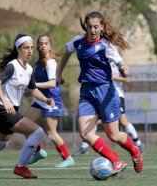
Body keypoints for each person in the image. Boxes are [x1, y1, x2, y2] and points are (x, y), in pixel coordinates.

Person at [57, 11, 143, 175]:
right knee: (85, 134)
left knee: (114, 135)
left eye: (96, 27)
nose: (93, 30)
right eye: (90, 26)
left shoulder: (106, 45)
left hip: (106, 93)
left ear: (102, 27)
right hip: (87, 93)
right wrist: (58, 74)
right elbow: (67, 52)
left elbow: (120, 64)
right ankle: (116, 161)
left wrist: (123, 68)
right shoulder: (78, 42)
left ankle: (135, 151)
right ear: (86, 27)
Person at [0, 34, 55, 179]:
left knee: (0, 144)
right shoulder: (12, 66)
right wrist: (5, 102)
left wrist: (46, 99)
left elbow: (32, 89)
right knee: (37, 132)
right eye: (26, 48)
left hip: (8, 111)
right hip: (3, 111)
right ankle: (21, 167)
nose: (30, 51)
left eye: (31, 48)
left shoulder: (29, 69)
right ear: (18, 49)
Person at [73, 61, 144, 156]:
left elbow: (127, 79)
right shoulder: (98, 60)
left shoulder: (118, 62)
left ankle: (139, 144)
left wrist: (113, 77)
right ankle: (84, 146)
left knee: (123, 122)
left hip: (116, 95)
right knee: (93, 119)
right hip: (100, 94)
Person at [24, 34, 75, 168]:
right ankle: (38, 151)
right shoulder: (37, 63)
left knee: (50, 132)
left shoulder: (50, 62)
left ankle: (68, 158)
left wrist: (35, 86)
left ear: (50, 46)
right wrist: (27, 91)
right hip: (41, 100)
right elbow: (58, 80)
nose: (42, 46)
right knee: (23, 125)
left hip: (51, 101)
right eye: (40, 44)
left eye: (45, 44)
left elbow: (52, 83)